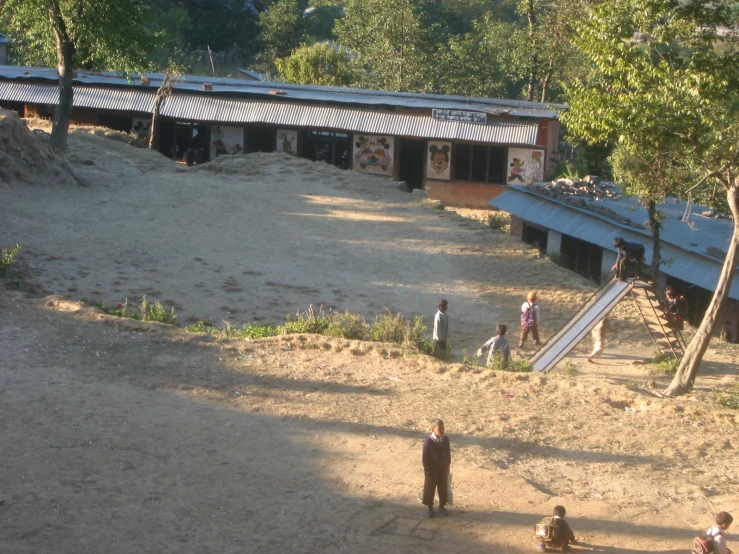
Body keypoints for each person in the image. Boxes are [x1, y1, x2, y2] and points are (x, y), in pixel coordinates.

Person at [422, 419, 451, 518]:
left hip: (443, 468)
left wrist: (447, 465)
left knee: (443, 487)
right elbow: (425, 458)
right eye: (439, 429)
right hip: (432, 469)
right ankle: (429, 507)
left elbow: (448, 453)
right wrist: (427, 471)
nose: (442, 430)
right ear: (433, 429)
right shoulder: (428, 442)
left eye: (443, 428)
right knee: (430, 487)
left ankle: (442, 505)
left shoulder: (445, 439)